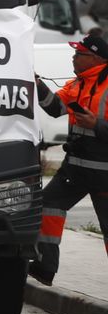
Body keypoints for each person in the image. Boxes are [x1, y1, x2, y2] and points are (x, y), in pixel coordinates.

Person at [31, 31, 108, 286]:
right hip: (75, 171)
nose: (73, 58)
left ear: (95, 58)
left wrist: (97, 125)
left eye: (79, 54)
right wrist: (38, 85)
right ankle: (45, 267)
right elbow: (55, 108)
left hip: (104, 174)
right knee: (48, 206)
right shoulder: (77, 83)